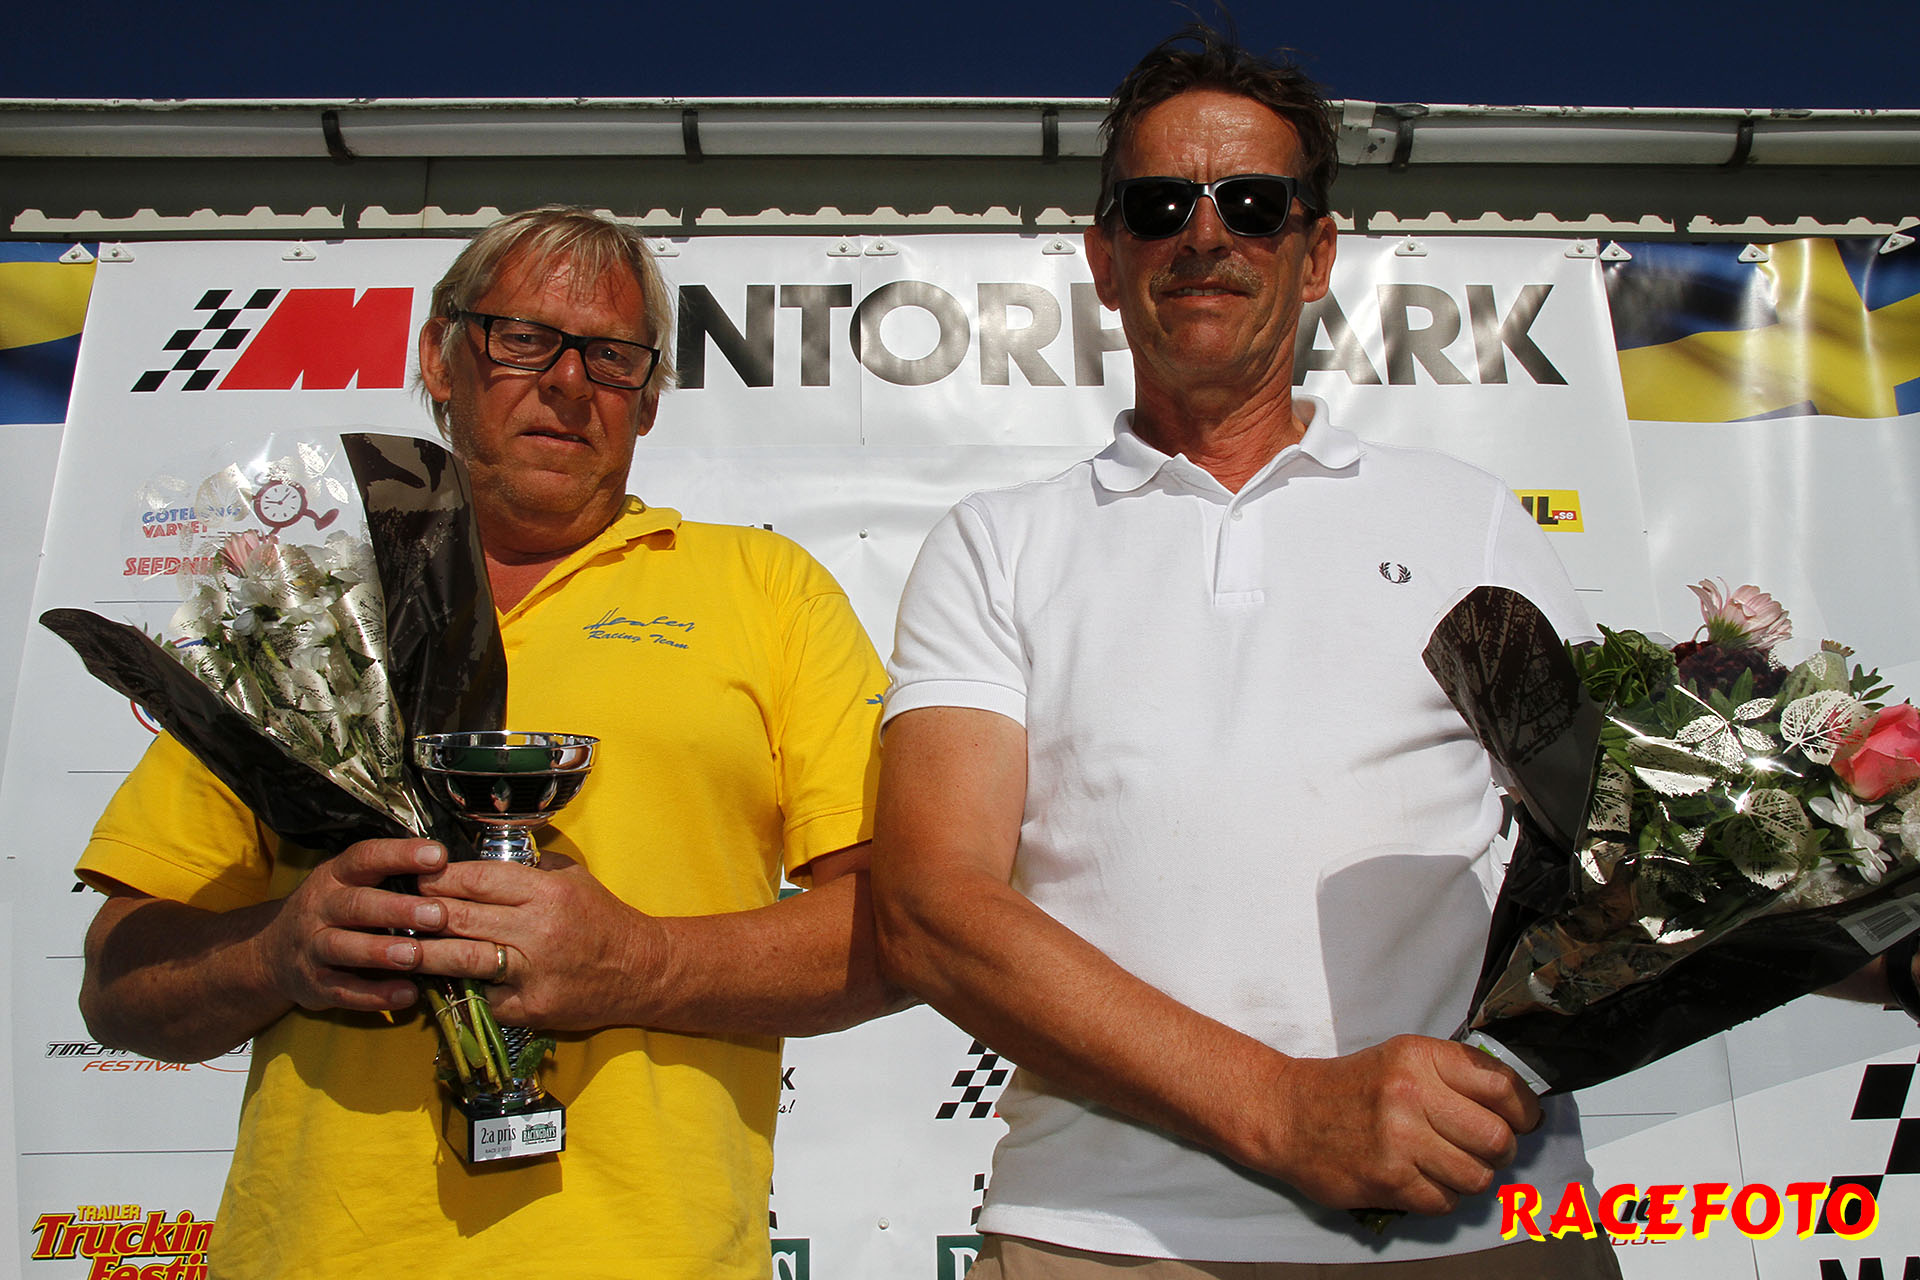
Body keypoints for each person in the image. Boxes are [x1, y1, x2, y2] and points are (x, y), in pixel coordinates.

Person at [872, 28, 1624, 1279]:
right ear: (1106, 257)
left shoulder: (1474, 519)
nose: (1206, 234)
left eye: (1255, 204)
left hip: (1481, 1223)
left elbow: (1627, 846)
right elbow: (930, 908)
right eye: (1160, 204)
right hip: (1103, 1239)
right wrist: (1282, 1108)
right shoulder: (996, 543)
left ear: (1315, 253)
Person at [75, 207, 893, 1280]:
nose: (568, 381)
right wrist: (279, 951)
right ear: (440, 359)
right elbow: (117, 980)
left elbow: (897, 932)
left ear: (649, 398)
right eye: (523, 338)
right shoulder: (313, 620)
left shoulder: (768, 590)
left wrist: (641, 965)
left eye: (612, 354)